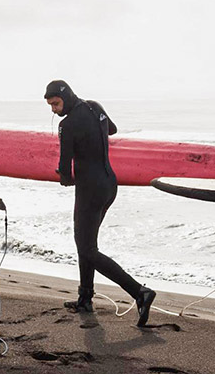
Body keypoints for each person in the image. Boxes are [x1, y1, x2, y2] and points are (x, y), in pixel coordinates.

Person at [44, 79, 156, 327]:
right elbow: (112, 129)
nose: (53, 109)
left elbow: (64, 168)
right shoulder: (95, 107)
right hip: (109, 185)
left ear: (66, 97)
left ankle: (140, 292)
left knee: (86, 249)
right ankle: (85, 299)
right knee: (87, 244)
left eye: (55, 103)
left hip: (90, 190)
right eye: (50, 105)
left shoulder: (67, 125)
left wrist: (64, 178)